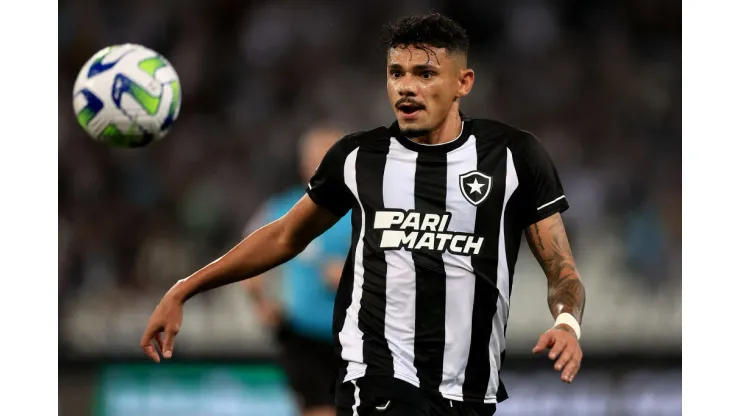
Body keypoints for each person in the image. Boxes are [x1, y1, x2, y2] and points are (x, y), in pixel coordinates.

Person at [141, 13, 586, 416]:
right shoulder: (359, 158)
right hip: (376, 379)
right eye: (397, 73)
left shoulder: (514, 157)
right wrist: (186, 287)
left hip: (470, 393)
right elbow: (283, 236)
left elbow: (561, 268)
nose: (406, 86)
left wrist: (566, 323)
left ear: (463, 82)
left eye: (425, 73)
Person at [242, 125, 350, 416]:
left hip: (359, 338)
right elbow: (248, 262)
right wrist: (263, 305)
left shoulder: (369, 210)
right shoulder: (283, 210)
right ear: (305, 166)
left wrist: (352, 275)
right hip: (306, 339)